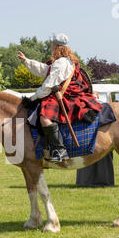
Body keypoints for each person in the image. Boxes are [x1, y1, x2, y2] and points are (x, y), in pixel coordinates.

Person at [18, 33, 103, 162]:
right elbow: (44, 69)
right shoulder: (61, 61)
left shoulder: (61, 63)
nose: (50, 46)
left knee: (45, 118)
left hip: (66, 96)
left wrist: (32, 98)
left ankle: (59, 150)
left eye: (52, 44)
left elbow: (48, 86)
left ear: (57, 46)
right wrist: (26, 61)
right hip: (61, 93)